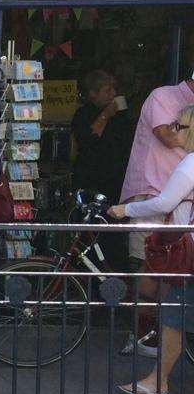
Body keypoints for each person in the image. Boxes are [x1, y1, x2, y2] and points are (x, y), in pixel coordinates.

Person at [109, 103, 194, 394]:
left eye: (179, 126)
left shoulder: (190, 164)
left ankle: (158, 382)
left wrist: (126, 209)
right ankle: (157, 380)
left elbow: (163, 203)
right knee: (175, 314)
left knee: (173, 317)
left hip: (190, 253)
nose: (173, 131)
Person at [118, 67, 194, 357]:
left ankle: (166, 330)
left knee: (175, 268)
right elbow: (170, 138)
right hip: (153, 190)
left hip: (181, 201)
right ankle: (144, 332)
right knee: (146, 265)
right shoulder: (163, 96)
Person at [72, 69, 134, 276]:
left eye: (114, 89)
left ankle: (113, 277)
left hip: (116, 182)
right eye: (108, 90)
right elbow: (88, 139)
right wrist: (106, 114)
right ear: (93, 93)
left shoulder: (122, 117)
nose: (112, 94)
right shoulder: (83, 114)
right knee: (90, 232)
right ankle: (86, 276)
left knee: (114, 233)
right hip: (91, 182)